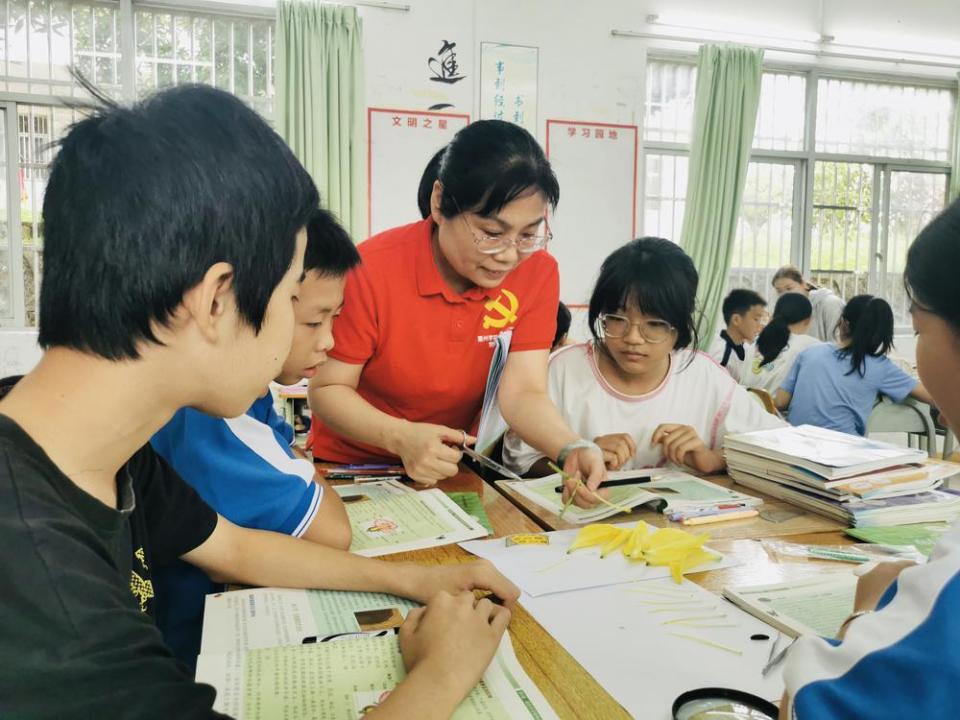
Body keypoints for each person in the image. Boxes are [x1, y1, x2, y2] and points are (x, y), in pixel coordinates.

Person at [0, 85, 518, 719]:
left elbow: (238, 547)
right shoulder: (38, 592)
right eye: (287, 295)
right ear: (217, 299)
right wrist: (444, 671)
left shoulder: (102, 450)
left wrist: (417, 580)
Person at [308, 120, 606, 505]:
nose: (509, 254)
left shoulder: (537, 273)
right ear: (439, 202)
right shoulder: (371, 270)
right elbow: (329, 389)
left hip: (450, 468)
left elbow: (523, 391)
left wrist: (569, 447)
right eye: (491, 233)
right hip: (356, 468)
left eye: (528, 234)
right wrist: (400, 437)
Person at [148, 208, 358, 666]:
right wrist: (306, 470)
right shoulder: (209, 408)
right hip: (193, 653)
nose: (329, 342)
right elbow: (330, 530)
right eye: (308, 318)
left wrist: (300, 465)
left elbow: (290, 453)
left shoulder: (244, 390)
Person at [780, 198, 960, 720]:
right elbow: (925, 395)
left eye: (921, 331)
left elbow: (814, 704)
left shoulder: (810, 354)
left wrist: (864, 615)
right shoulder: (881, 368)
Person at [503, 238, 784, 482]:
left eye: (654, 324)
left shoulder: (703, 376)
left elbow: (780, 444)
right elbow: (518, 461)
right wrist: (574, 456)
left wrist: (714, 460)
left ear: (679, 326)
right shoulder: (564, 369)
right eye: (617, 319)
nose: (633, 338)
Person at [775, 294, 933, 435]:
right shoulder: (880, 366)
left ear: (844, 323)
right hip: (845, 449)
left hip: (795, 444)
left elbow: (780, 402)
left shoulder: (809, 352)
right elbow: (932, 397)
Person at [741, 292, 821, 396]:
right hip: (774, 410)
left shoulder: (758, 342)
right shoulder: (810, 346)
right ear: (807, 320)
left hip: (745, 404)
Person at [771, 264, 846, 341]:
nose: (784, 294)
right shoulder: (785, 311)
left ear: (804, 284)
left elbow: (838, 344)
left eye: (789, 288)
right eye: (779, 291)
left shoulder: (830, 303)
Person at [709, 288, 768, 381]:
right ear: (736, 320)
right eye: (756, 319)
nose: (760, 325)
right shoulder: (723, 356)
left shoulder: (742, 346)